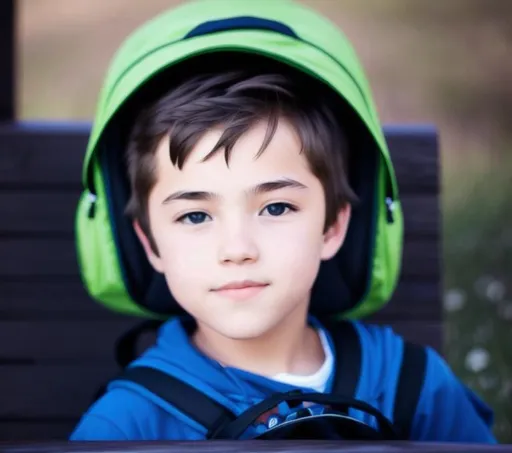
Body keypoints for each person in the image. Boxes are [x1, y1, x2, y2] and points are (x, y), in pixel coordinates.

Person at [70, 0, 496, 443]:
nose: (237, 249)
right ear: (151, 244)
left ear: (332, 227)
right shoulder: (125, 427)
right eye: (195, 215)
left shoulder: (413, 387)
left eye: (276, 208)